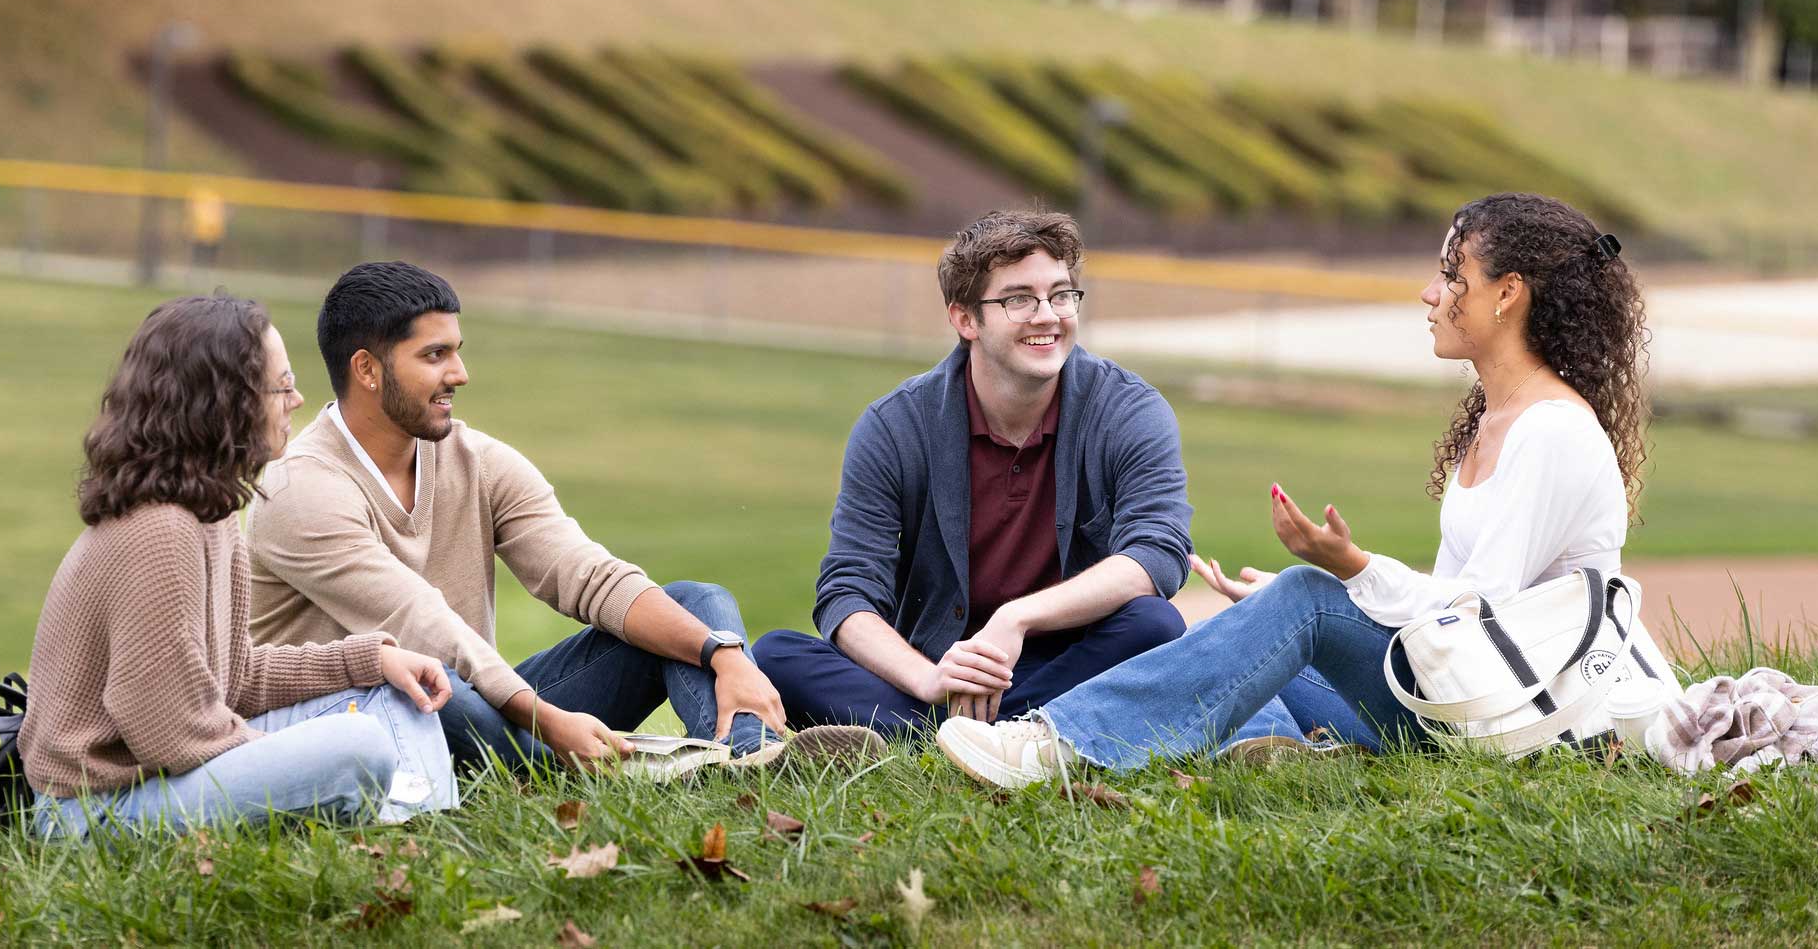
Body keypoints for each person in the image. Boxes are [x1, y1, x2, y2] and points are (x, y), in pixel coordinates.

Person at [936, 192, 1650, 787]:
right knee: (1266, 635)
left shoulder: (1552, 431)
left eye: (1450, 273)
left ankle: (1057, 746)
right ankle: (1287, 746)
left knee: (1306, 601)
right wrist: (1295, 612)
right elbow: (1463, 610)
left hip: (1525, 721)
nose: (1430, 293)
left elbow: (1481, 614)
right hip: (1471, 699)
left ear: (1508, 293)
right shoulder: (1498, 419)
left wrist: (1351, 574)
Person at [247, 261, 880, 774]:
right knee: (435, 679)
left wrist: (724, 654)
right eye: (435, 356)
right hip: (371, 725)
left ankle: (747, 759)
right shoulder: (300, 489)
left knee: (695, 603)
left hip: (485, 705)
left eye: (457, 351)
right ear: (367, 368)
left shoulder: (477, 460)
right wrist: (549, 720)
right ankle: (590, 765)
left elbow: (585, 575)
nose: (460, 374)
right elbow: (421, 623)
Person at [752, 209, 1207, 737]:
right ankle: (1011, 730)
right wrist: (929, 679)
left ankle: (939, 735)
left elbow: (1157, 555)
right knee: (777, 654)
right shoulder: (895, 425)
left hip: (1071, 662)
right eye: (1019, 300)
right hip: (938, 672)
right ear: (965, 319)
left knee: (1155, 626)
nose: (1047, 316)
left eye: (1061, 295)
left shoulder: (1128, 409)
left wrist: (1018, 618)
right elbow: (847, 592)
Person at [20, 295, 459, 838]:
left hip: (158, 780)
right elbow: (170, 732)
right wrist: (293, 757)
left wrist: (366, 660)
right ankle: (399, 826)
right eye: (282, 386)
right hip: (95, 811)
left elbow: (235, 678)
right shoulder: (158, 532)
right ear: (224, 402)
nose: (298, 399)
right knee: (357, 747)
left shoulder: (211, 512)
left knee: (391, 693)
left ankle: (423, 834)